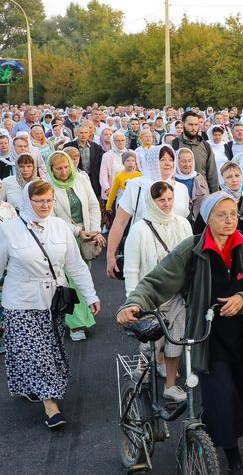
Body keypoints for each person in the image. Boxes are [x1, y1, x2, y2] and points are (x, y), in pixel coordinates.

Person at [117, 191, 243, 475]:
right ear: (207, 218)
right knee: (223, 398)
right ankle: (233, 456)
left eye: (233, 214)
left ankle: (214, 427)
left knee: (242, 397)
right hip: (207, 337)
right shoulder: (192, 249)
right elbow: (157, 280)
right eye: (221, 215)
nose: (229, 220)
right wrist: (134, 303)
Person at [0, 180, 101, 428]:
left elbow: (75, 265)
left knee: (50, 348)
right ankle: (51, 406)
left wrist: (91, 296)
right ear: (27, 201)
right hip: (20, 301)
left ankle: (32, 385)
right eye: (39, 201)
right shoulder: (9, 230)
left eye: (49, 201)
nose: (45, 205)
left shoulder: (60, 227)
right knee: (37, 353)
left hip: (53, 300)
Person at [122, 181, 193, 402]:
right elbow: (131, 269)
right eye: (161, 200)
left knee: (176, 340)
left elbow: (191, 260)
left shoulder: (182, 224)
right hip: (150, 296)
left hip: (177, 296)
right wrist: (132, 301)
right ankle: (143, 371)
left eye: (170, 199)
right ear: (151, 202)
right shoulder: (139, 229)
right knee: (151, 342)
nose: (167, 204)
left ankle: (170, 385)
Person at [106, 145, 190, 278]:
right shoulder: (136, 185)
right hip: (143, 251)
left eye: (171, 159)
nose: (168, 163)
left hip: (175, 254)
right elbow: (120, 222)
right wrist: (111, 256)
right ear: (152, 162)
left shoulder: (181, 189)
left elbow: (183, 225)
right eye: (162, 159)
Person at [46, 151, 104, 341]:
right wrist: (76, 231)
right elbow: (52, 217)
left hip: (86, 237)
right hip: (63, 238)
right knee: (70, 280)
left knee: (83, 276)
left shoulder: (81, 179)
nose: (63, 172)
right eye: (58, 169)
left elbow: (94, 206)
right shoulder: (49, 186)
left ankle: (83, 313)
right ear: (51, 170)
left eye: (66, 167)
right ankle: (76, 323)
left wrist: (95, 230)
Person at [169, 110, 219, 192]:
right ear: (183, 124)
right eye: (190, 124)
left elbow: (212, 175)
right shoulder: (173, 145)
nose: (194, 128)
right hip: (179, 194)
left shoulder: (206, 146)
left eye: (196, 124)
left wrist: (214, 196)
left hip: (202, 194)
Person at [174, 147, 210, 225]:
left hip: (199, 222)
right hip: (179, 222)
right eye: (183, 161)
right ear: (177, 162)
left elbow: (207, 198)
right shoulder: (173, 179)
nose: (187, 164)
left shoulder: (198, 177)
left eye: (190, 161)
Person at [99, 131, 129, 201]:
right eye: (118, 141)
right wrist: (107, 188)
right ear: (113, 142)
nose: (120, 142)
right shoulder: (107, 155)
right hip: (113, 190)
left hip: (128, 189)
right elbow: (103, 174)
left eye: (122, 140)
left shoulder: (130, 153)